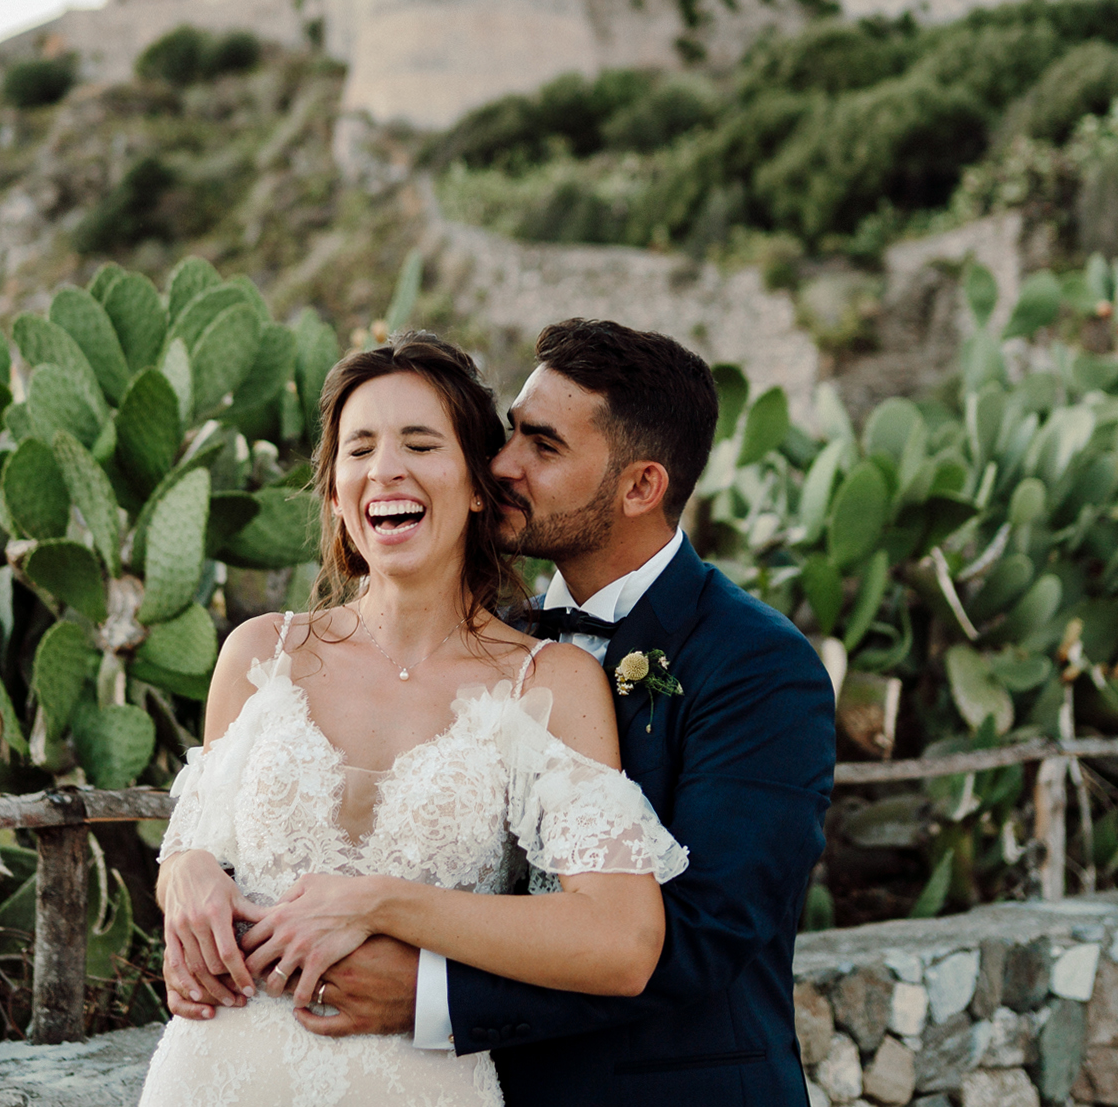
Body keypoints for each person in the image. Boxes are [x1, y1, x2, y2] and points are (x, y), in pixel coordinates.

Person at [161, 319, 837, 1106]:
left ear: (640, 485)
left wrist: (428, 992)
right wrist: (187, 874)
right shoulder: (505, 643)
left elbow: (699, 937)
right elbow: (205, 833)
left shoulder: (756, 664)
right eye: (510, 433)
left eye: (542, 446)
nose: (504, 463)